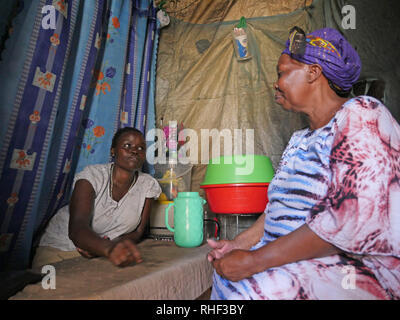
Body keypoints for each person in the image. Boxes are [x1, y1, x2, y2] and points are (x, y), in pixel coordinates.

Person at [207, 27, 400, 299]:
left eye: (282, 72)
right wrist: (238, 245)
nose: (276, 83)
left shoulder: (362, 115)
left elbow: (353, 217)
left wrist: (255, 261)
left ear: (313, 72)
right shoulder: (300, 139)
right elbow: (280, 207)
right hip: (288, 258)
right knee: (225, 278)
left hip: (358, 268)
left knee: (256, 289)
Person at [33, 127, 161, 268]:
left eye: (141, 148)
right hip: (62, 249)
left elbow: (138, 231)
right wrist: (107, 248)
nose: (135, 151)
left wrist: (113, 247)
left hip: (105, 252)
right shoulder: (91, 177)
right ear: (113, 151)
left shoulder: (148, 185)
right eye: (127, 145)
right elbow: (77, 228)